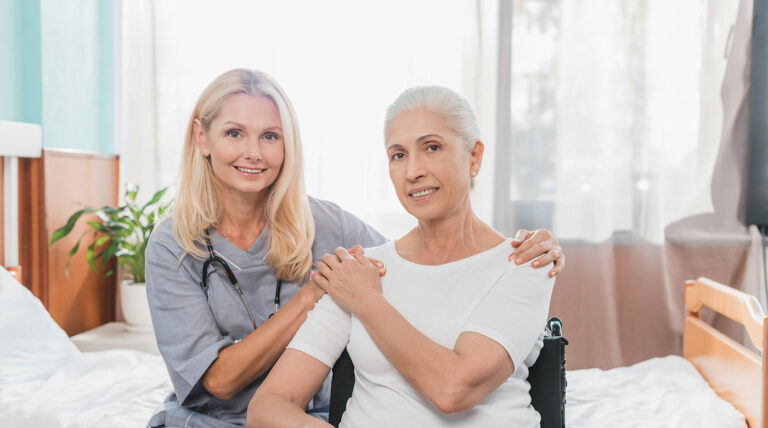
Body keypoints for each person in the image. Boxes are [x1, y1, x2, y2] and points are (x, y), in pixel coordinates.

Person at [145, 69, 564, 427]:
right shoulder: (172, 246)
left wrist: (533, 250)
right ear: (202, 138)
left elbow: (426, 271)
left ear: (474, 157)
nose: (253, 152)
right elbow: (234, 390)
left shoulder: (335, 232)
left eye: (270, 136)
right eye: (398, 154)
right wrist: (316, 293)